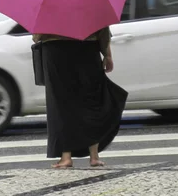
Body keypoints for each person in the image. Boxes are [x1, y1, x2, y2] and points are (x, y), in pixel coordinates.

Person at [33, 27, 128, 168]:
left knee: (61, 103)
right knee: (91, 99)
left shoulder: (49, 5)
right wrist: (107, 55)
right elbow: (103, 30)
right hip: (87, 49)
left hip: (56, 51)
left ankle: (66, 157)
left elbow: (36, 36)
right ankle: (94, 156)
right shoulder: (93, 5)